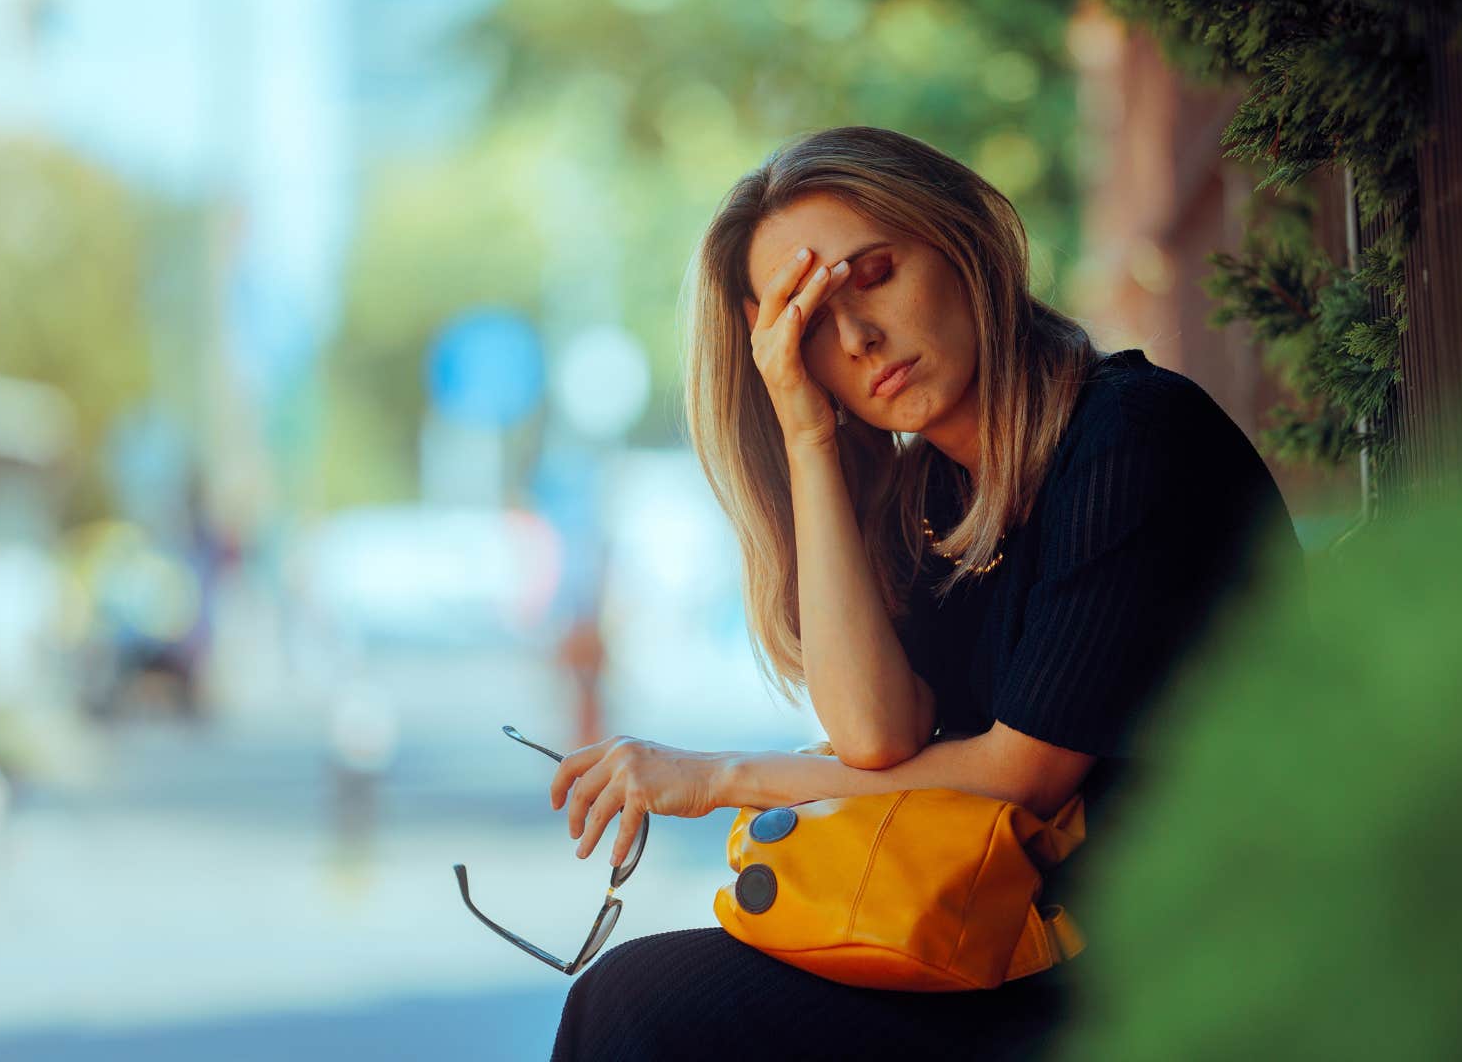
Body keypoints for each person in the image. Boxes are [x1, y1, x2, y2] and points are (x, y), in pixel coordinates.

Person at [544, 126, 1300, 1061]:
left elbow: (1021, 774)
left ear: (964, 245)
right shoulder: (935, 499)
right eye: (809, 325)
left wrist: (717, 779)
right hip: (1025, 948)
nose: (857, 337)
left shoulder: (1130, 440)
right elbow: (876, 738)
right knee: (636, 1000)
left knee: (649, 1011)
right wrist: (808, 437)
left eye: (873, 275)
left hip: (1189, 954)